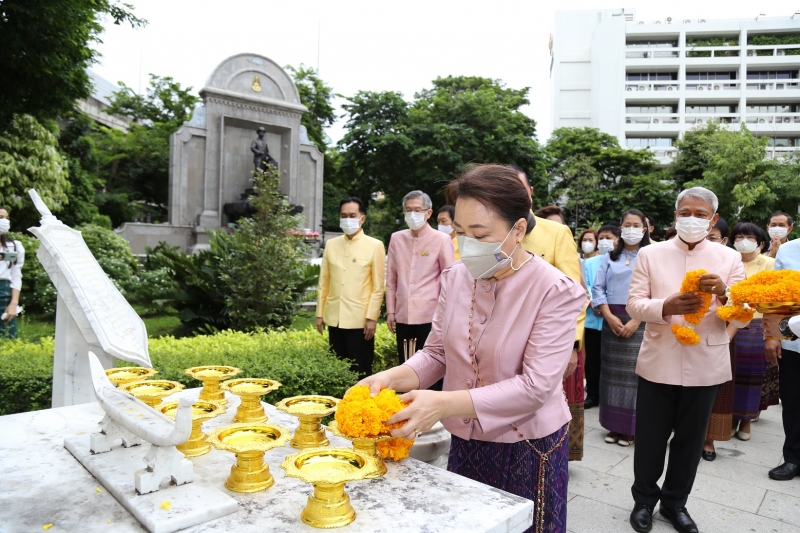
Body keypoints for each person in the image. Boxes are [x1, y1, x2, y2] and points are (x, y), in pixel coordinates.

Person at [358, 164, 586, 533]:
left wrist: (442, 404)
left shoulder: (554, 290)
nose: (468, 245)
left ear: (519, 229)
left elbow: (536, 387)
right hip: (466, 439)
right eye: (461, 233)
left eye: (480, 234)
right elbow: (436, 354)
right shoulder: (456, 278)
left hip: (528, 444)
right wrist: (388, 378)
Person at [626, 187, 746, 533]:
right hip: (658, 358)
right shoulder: (651, 253)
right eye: (685, 213)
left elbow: (743, 312)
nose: (692, 219)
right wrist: (665, 306)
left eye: (700, 214)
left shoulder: (730, 258)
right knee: (649, 438)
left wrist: (724, 292)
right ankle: (644, 501)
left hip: (706, 360)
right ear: (675, 215)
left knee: (691, 441)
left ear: (713, 220)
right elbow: (634, 304)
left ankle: (675, 503)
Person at [513, 167, 586, 462]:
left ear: (531, 193)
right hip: (500, 344)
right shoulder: (486, 233)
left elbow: (574, 295)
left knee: (544, 414)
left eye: (519, 188)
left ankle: (547, 461)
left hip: (546, 342)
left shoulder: (556, 233)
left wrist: (572, 346)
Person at [592, 209, 651, 447]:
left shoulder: (650, 255)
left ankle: (631, 428)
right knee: (610, 375)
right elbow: (598, 288)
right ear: (621, 228)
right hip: (612, 320)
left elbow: (656, 289)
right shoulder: (610, 257)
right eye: (627, 225)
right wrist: (608, 316)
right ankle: (613, 425)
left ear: (644, 229)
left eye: (636, 225)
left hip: (640, 319)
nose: (631, 229)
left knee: (633, 376)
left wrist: (637, 320)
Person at [316, 197, 386, 378]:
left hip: (360, 320)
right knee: (337, 370)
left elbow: (378, 287)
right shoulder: (331, 245)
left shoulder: (375, 245)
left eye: (352, 215)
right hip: (335, 317)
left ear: (362, 218)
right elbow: (324, 282)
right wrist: (320, 314)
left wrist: (371, 317)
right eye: (343, 215)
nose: (347, 219)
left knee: (360, 370)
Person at [387, 191, 453, 371]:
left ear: (428, 213)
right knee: (406, 363)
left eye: (417, 210)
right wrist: (391, 311)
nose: (412, 214)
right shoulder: (397, 238)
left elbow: (448, 280)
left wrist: (445, 314)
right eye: (408, 210)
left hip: (431, 315)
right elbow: (391, 279)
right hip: (403, 314)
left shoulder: (441, 240)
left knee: (430, 366)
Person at [730, 223, 774, 442]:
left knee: (751, 375)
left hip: (757, 323)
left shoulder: (770, 264)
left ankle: (746, 419)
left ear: (761, 243)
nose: (743, 241)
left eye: (748, 237)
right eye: (738, 237)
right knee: (730, 374)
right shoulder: (729, 261)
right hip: (729, 322)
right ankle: (730, 417)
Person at [762, 236, 800, 481]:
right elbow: (775, 298)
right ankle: (793, 458)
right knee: (793, 401)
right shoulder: (788, 250)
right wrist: (772, 336)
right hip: (793, 341)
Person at [701, 215, 736, 461]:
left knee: (716, 393)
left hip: (722, 336)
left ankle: (709, 439)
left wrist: (727, 338)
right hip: (687, 336)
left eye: (712, 238)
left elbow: (741, 307)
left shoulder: (731, 261)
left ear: (723, 240)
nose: (706, 241)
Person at [584, 224, 620, 409]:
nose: (605, 241)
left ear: (618, 240)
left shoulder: (622, 262)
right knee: (592, 359)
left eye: (609, 237)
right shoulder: (589, 263)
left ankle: (610, 396)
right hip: (592, 318)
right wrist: (595, 303)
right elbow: (586, 285)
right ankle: (593, 394)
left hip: (614, 317)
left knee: (612, 360)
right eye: (602, 238)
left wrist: (606, 306)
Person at [0, 207, 24, 339]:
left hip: (4, 297)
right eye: (0, 217)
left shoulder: (14, 246)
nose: (5, 221)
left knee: (9, 340)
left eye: (6, 218)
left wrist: (14, 303)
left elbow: (16, 274)